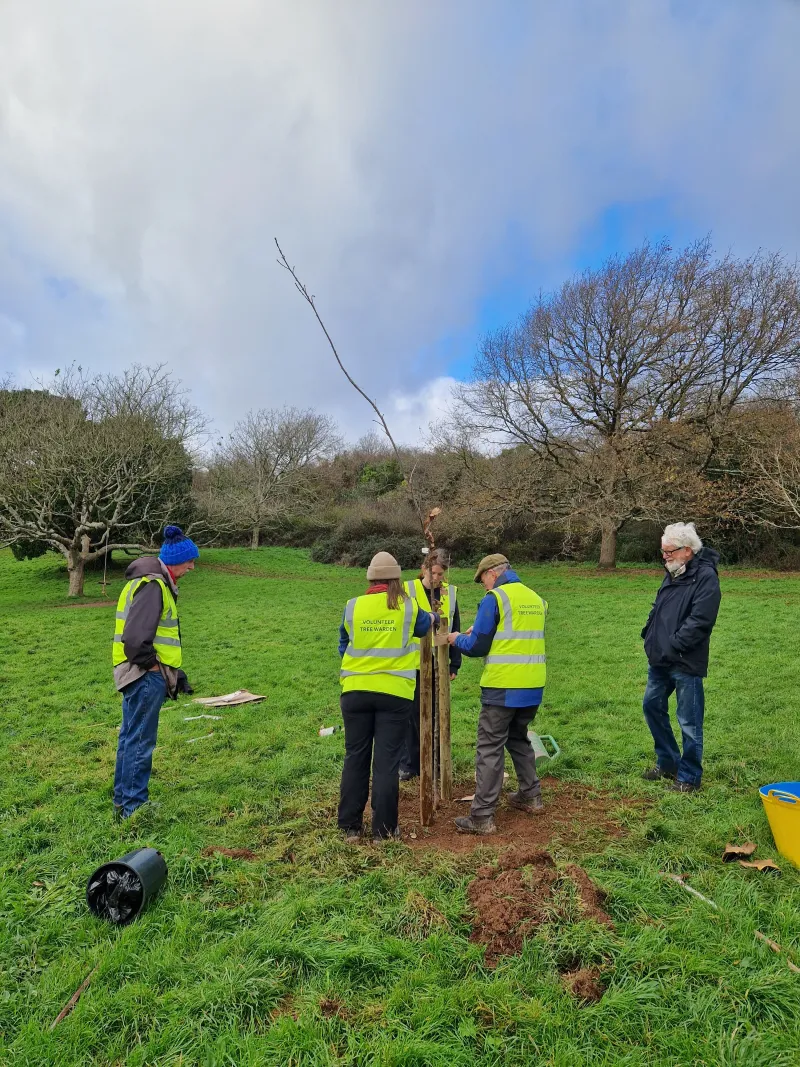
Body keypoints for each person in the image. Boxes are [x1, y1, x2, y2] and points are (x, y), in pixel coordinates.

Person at [338, 551, 435, 842]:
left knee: (355, 757)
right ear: (397, 579)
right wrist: (432, 615)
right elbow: (425, 626)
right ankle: (383, 831)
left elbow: (343, 645)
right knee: (387, 762)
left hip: (355, 692)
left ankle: (350, 827)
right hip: (394, 694)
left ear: (369, 579)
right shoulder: (408, 607)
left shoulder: (353, 606)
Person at [447, 553, 546, 834]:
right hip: (533, 683)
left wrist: (457, 639)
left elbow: (478, 645)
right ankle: (531, 795)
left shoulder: (496, 598)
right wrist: (477, 630)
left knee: (490, 746)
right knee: (518, 738)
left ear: (492, 574)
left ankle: (482, 816)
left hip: (503, 686)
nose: (484, 587)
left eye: (483, 582)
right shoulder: (535, 599)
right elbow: (512, 635)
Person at [112, 525, 199, 818]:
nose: (192, 566)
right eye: (189, 561)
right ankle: (134, 809)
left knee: (130, 737)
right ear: (175, 561)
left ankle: (123, 802)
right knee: (140, 741)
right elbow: (136, 640)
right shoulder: (153, 585)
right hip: (144, 675)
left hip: (140, 674)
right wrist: (156, 669)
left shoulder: (151, 583)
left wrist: (175, 673)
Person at [641, 522, 721, 793]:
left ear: (688, 550)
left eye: (669, 551)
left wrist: (674, 646)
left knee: (689, 721)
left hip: (686, 660)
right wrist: (649, 634)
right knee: (652, 707)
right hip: (660, 659)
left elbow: (701, 620)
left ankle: (689, 778)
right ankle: (669, 763)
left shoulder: (706, 576)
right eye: (663, 552)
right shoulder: (673, 572)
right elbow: (660, 609)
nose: (665, 556)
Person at [400, 549, 462, 781]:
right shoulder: (408, 590)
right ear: (424, 569)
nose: (437, 578)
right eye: (434, 573)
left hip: (439, 665)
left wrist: (454, 664)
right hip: (411, 664)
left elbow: (454, 625)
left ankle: (435, 762)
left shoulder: (450, 593)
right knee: (411, 715)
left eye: (441, 574)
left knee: (436, 715)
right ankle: (410, 763)